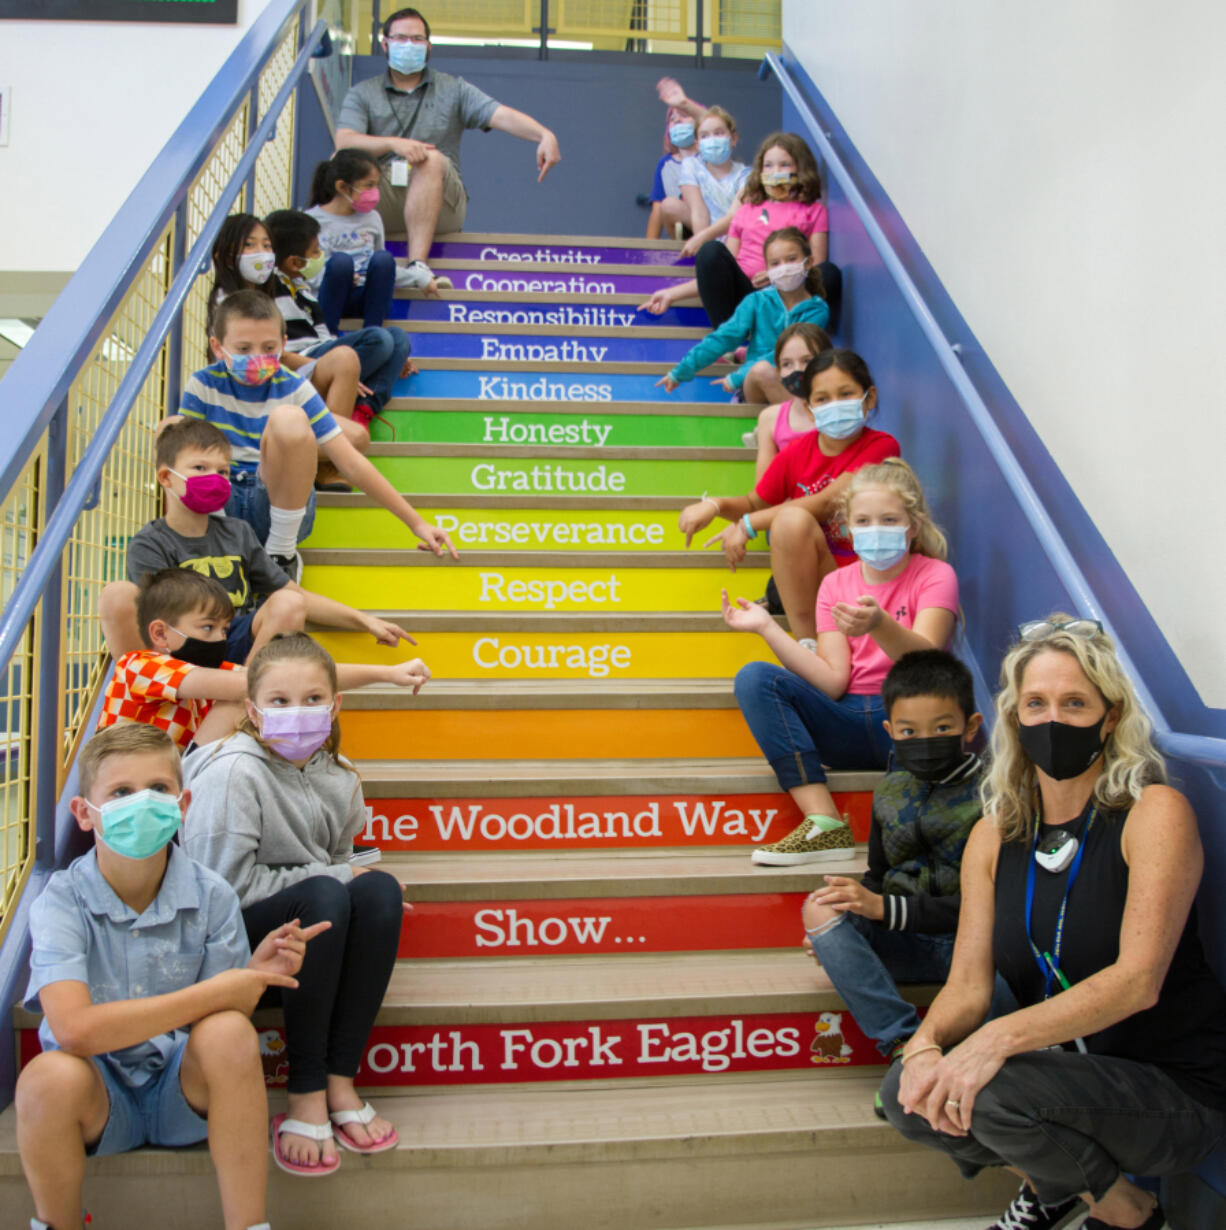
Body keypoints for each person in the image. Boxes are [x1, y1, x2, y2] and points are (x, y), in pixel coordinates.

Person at [881, 616, 1226, 1230]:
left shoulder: (1154, 813)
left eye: (1075, 703)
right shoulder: (993, 834)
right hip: (1069, 1074)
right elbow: (966, 987)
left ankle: (1126, 1214)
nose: (1052, 720)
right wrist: (926, 1046)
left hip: (1176, 1090)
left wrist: (993, 1040)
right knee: (906, 1096)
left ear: (1111, 715)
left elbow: (1136, 982)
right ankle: (1063, 1185)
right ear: (1013, 717)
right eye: (1035, 703)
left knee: (989, 1090)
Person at [17, 722, 329, 1230]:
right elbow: (73, 1030)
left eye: (158, 789)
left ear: (182, 804)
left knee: (230, 1031)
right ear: (84, 813)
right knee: (45, 1078)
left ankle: (250, 1226)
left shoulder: (213, 896)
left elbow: (223, 1022)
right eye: (120, 792)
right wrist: (214, 992)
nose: (142, 803)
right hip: (97, 1097)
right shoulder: (59, 900)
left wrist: (248, 980)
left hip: (181, 1094)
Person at [182, 634, 414, 1177]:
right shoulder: (232, 772)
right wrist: (335, 875)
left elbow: (344, 870)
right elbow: (221, 893)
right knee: (331, 890)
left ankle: (340, 1078)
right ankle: (305, 1087)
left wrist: (347, 876)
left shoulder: (341, 777)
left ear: (335, 706)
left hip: (307, 923)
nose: (298, 712)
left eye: (313, 699)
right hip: (232, 934)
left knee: (377, 890)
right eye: (280, 701)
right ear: (253, 711)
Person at [723, 458, 959, 865]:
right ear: (848, 529)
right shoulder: (835, 583)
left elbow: (927, 666)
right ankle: (825, 824)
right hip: (847, 719)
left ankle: (915, 823)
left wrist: (880, 624)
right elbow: (833, 682)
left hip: (907, 722)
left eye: (889, 519)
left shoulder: (935, 575)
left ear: (912, 526)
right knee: (755, 677)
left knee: (937, 695)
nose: (875, 529)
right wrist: (767, 628)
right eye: (863, 521)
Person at [178, 289, 456, 578]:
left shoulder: (295, 387)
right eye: (244, 349)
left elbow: (349, 461)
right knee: (174, 433)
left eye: (269, 348)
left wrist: (417, 523)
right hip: (222, 500)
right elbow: (184, 459)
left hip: (275, 502)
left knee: (290, 419)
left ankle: (281, 554)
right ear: (218, 346)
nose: (257, 358)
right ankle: (208, 545)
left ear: (284, 345)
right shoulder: (203, 384)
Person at [98, 420, 417, 666]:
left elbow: (293, 595)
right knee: (118, 594)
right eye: (200, 468)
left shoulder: (237, 532)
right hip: (179, 649)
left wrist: (364, 620)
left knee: (288, 604)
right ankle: (151, 701)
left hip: (233, 640)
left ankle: (246, 694)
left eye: (222, 471)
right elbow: (153, 623)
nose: (215, 477)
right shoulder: (151, 543)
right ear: (167, 478)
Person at [802, 650, 983, 1067]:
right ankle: (902, 1043)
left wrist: (884, 908)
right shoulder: (889, 791)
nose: (924, 742)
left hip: (971, 953)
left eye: (941, 728)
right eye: (908, 731)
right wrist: (842, 931)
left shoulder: (993, 797)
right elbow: (877, 875)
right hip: (900, 943)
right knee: (819, 908)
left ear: (970, 727)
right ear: (889, 731)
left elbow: (992, 908)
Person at [678, 349, 899, 639]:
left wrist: (747, 525)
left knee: (791, 518)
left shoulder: (882, 446)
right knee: (789, 519)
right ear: (809, 408)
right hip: (818, 575)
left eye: (846, 394)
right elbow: (753, 503)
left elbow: (826, 502)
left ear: (868, 398)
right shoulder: (796, 452)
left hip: (865, 581)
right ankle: (808, 643)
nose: (835, 405)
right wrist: (714, 506)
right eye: (822, 399)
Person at [334, 6, 561, 285]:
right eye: (401, 38)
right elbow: (345, 140)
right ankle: (336, 260)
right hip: (380, 197)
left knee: (431, 159)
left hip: (440, 202)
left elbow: (500, 115)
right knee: (339, 161)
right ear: (385, 43)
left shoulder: (453, 89)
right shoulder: (363, 93)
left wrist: (543, 134)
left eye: (417, 40)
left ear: (429, 46)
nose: (409, 45)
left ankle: (418, 265)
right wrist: (395, 144)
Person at [207, 214, 367, 471]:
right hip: (252, 408)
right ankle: (280, 458)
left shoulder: (275, 292)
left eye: (267, 245)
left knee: (357, 435)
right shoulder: (225, 301)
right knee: (345, 439)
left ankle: (315, 464)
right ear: (226, 256)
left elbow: (279, 358)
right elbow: (260, 365)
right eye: (250, 245)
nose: (261, 253)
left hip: (282, 394)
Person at [640, 130, 835, 329]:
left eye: (784, 164)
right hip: (745, 294)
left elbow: (816, 268)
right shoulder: (746, 210)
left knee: (829, 272)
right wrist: (671, 294)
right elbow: (719, 273)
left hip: (786, 294)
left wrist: (780, 275)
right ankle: (730, 337)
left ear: (800, 168)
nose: (775, 171)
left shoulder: (813, 212)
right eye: (768, 165)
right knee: (711, 251)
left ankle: (791, 340)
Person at [264, 207, 415, 445]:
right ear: (294, 262)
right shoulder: (268, 288)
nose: (320, 256)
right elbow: (275, 354)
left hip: (323, 353)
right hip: (303, 361)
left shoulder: (305, 293)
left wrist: (390, 358)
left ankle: (363, 411)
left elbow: (326, 339)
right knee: (380, 339)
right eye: (315, 252)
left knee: (398, 338)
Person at [656, 228, 829, 403]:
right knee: (761, 371)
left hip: (799, 384)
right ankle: (790, 422)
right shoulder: (756, 301)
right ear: (767, 269)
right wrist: (681, 371)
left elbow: (787, 353)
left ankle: (789, 423)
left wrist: (737, 377)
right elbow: (724, 337)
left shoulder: (817, 310)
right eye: (775, 263)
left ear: (808, 263)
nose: (784, 268)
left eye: (791, 259)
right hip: (756, 382)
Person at [97, 569, 247, 749]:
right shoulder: (139, 665)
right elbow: (246, 683)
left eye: (224, 630)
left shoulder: (205, 668)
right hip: (126, 768)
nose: (220, 639)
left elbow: (256, 676)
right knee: (241, 696)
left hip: (169, 767)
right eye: (208, 627)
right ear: (160, 634)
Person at [306, 149, 425, 335]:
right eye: (368, 185)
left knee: (384, 258)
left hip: (367, 299)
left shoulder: (373, 219)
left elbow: (383, 267)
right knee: (340, 263)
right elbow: (308, 274)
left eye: (376, 186)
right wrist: (341, 279)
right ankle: (328, 335)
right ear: (342, 187)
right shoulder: (313, 221)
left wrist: (420, 278)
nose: (374, 193)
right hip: (330, 298)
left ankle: (373, 334)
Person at [746, 323, 832, 479]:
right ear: (778, 372)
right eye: (787, 364)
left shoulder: (841, 412)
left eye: (807, 361)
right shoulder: (770, 418)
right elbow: (763, 486)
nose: (797, 370)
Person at [646, 77, 706, 239]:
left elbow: (717, 123)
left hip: (714, 225)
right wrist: (648, 252)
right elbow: (658, 210)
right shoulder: (665, 165)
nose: (677, 120)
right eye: (672, 119)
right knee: (669, 205)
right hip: (686, 230)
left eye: (685, 115)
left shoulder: (709, 155)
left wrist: (684, 103)